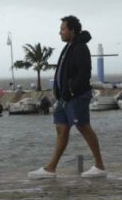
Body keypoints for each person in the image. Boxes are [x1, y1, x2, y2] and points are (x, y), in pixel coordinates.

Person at [28, 15, 107, 179]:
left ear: (72, 30)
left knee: (84, 127)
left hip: (76, 97)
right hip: (64, 98)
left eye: (63, 29)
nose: (60, 33)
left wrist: (71, 90)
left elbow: (84, 73)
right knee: (61, 130)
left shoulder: (80, 48)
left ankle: (100, 166)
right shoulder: (69, 47)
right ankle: (51, 168)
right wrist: (62, 93)